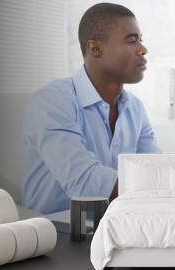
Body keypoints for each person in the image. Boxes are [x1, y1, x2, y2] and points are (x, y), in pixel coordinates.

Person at [23, 3, 161, 214]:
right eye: (132, 40)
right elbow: (85, 183)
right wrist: (162, 182)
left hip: (113, 227)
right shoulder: (52, 102)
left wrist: (168, 181)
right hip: (55, 237)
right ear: (95, 48)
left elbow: (155, 169)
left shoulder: (135, 109)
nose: (143, 49)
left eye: (140, 40)